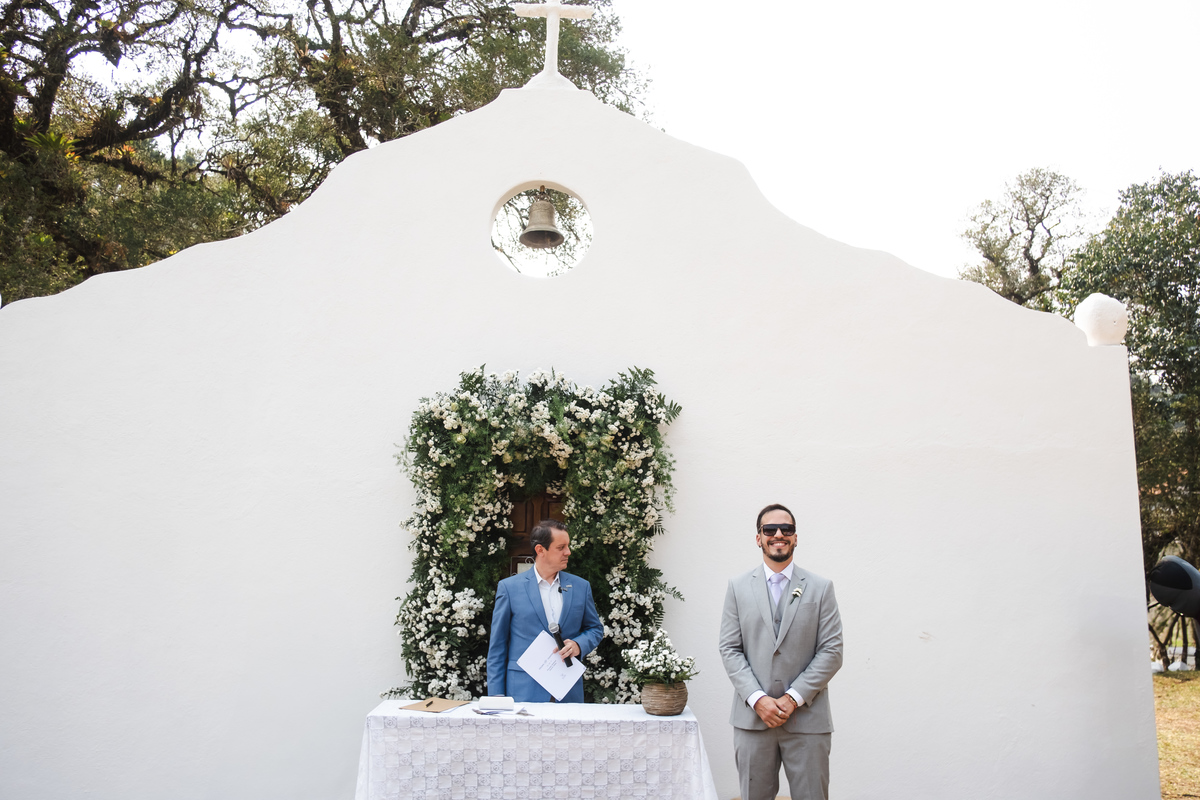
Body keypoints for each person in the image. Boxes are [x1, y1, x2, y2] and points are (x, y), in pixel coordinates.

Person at [719, 503, 843, 800]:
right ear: (758, 538)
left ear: (795, 538)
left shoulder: (820, 587)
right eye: (769, 529)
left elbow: (832, 651)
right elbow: (730, 648)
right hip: (752, 720)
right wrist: (758, 699)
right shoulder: (737, 587)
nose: (778, 534)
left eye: (786, 529)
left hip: (808, 719)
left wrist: (792, 698)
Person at [486, 519, 604, 702]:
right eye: (561, 547)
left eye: (568, 546)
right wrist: (496, 695)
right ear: (540, 550)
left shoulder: (581, 587)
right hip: (522, 693)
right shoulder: (509, 588)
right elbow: (497, 646)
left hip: (567, 692)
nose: (568, 552)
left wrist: (578, 644)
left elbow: (595, 629)